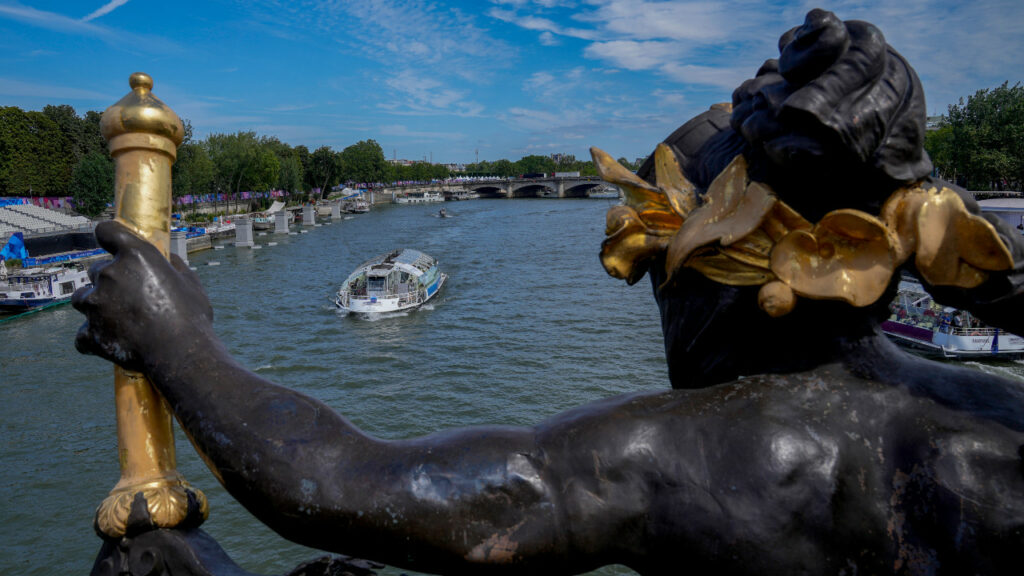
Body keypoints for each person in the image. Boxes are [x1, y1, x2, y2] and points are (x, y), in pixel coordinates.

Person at [74, 10, 1024, 575]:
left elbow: (357, 487)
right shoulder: (972, 415)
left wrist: (177, 339)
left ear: (744, 251)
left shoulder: (758, 441)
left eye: (653, 245)